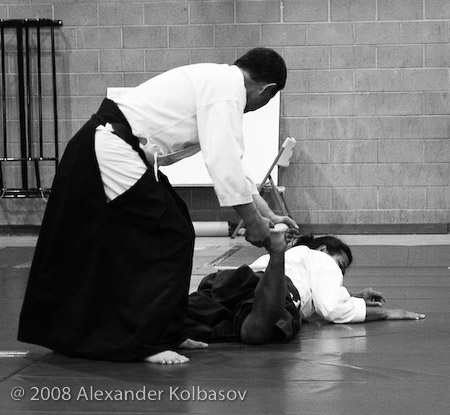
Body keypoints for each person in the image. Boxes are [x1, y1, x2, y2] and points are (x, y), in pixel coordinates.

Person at [18, 48, 297, 365]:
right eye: (267, 101)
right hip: (110, 147)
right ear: (267, 90)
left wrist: (266, 214)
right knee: (169, 234)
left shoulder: (219, 81)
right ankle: (147, 339)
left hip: (118, 150)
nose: (258, 108)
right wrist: (255, 223)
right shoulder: (226, 90)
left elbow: (232, 164)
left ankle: (166, 330)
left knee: (175, 227)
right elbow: (224, 163)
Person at [185, 225, 425, 345]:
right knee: (253, 332)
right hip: (276, 290)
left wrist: (355, 296)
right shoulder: (321, 258)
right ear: (324, 249)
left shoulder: (300, 259)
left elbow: (317, 300)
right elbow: (331, 307)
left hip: (233, 279)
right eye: (340, 266)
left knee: (194, 318)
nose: (339, 273)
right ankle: (276, 251)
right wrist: (385, 313)